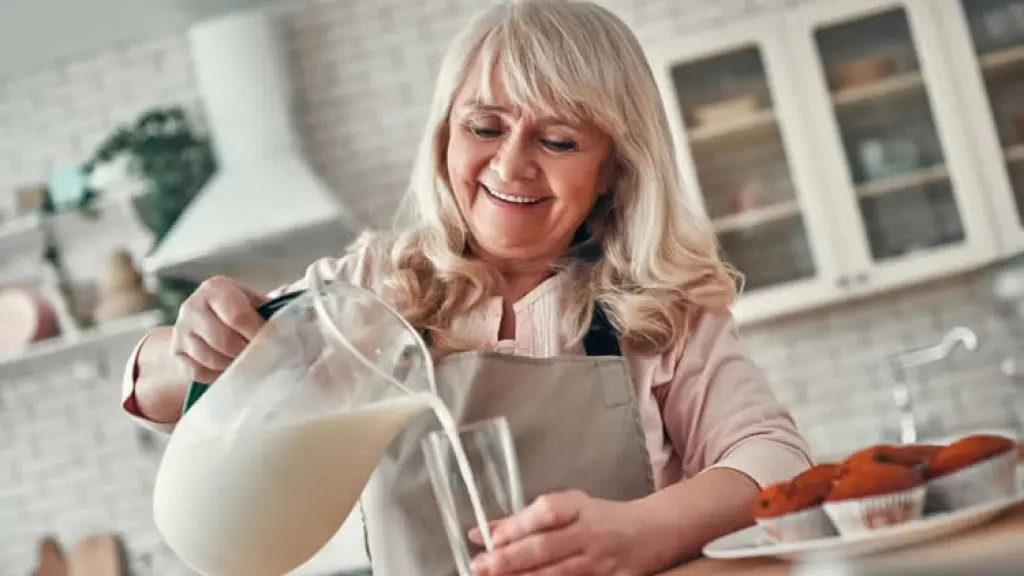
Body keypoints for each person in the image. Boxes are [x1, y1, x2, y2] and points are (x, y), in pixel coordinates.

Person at [121, 1, 813, 574]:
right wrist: (191, 341)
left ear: (613, 169)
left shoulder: (661, 310)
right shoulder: (370, 292)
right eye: (485, 126)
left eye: (560, 142)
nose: (511, 165)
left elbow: (774, 459)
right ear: (445, 135)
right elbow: (159, 391)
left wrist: (637, 532)